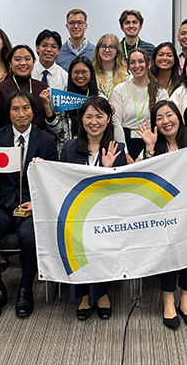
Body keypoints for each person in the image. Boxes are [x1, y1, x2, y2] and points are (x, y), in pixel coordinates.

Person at [0, 90, 59, 321]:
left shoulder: (48, 141)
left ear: (33, 111)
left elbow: (52, 182)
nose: (21, 114)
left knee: (30, 239)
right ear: (8, 113)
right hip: (0, 202)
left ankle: (25, 289)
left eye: (26, 108)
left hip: (31, 203)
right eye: (15, 109)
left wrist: (37, 202)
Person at [137, 101, 187, 330]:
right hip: (160, 217)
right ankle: (168, 299)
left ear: (178, 116)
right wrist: (149, 149)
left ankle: (186, 299)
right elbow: (138, 181)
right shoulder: (153, 147)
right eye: (159, 118)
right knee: (167, 242)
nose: (165, 121)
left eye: (169, 115)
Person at [59, 97, 129, 320]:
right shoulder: (70, 148)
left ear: (108, 119)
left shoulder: (117, 148)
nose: (94, 121)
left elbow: (123, 190)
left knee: (100, 235)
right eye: (89, 116)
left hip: (108, 213)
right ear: (82, 119)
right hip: (77, 213)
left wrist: (107, 171)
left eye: (100, 116)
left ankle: (100, 293)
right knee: (79, 234)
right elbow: (60, 184)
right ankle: (86, 295)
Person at [0, 45, 56, 135]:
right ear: (10, 63)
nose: (23, 63)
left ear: (33, 63)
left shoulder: (42, 88)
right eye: (17, 59)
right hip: (7, 144)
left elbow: (52, 124)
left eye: (27, 59)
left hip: (39, 143)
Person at [110, 48, 167, 159]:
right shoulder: (119, 90)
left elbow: (162, 124)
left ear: (149, 64)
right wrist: (124, 153)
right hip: (124, 142)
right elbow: (116, 124)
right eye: (132, 62)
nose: (137, 66)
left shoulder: (160, 92)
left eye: (141, 61)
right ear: (128, 66)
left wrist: (142, 155)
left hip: (151, 144)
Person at [91, 33, 127, 100]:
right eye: (103, 46)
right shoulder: (91, 73)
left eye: (111, 47)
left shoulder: (127, 75)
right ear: (98, 51)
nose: (107, 50)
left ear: (117, 52)